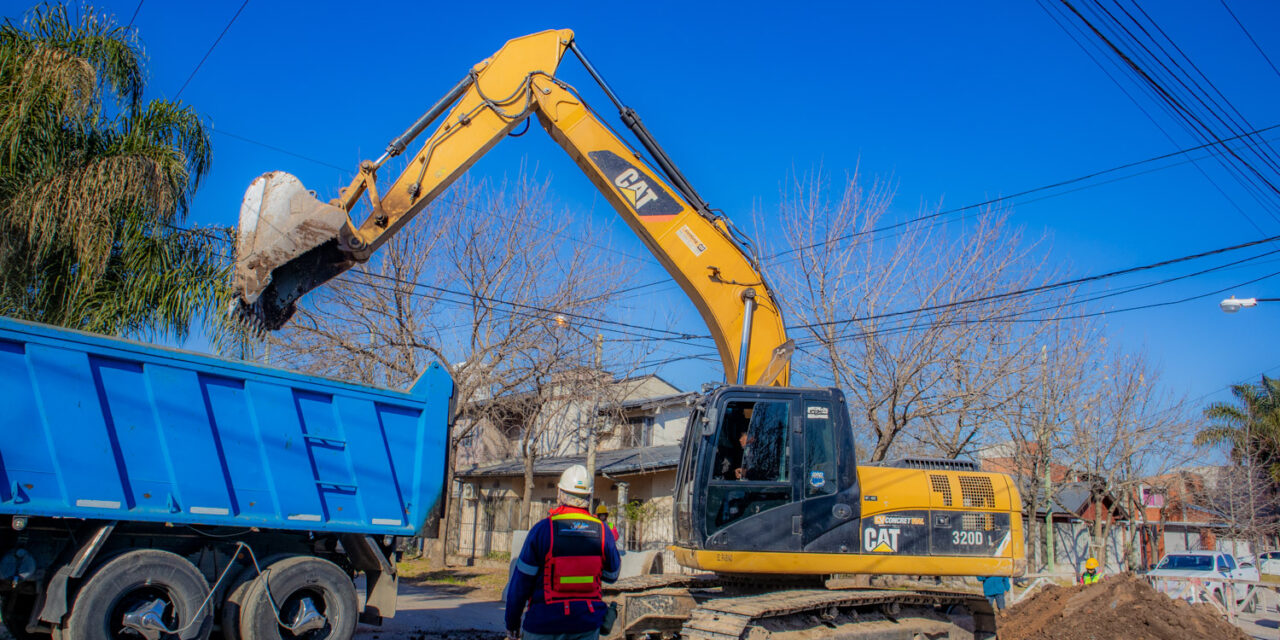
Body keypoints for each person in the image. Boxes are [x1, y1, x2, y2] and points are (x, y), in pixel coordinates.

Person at [505, 465, 621, 640]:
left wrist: (512, 623)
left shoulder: (543, 530)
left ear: (559, 493)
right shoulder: (603, 531)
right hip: (586, 626)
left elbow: (521, 583)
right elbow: (612, 575)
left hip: (542, 626)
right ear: (589, 497)